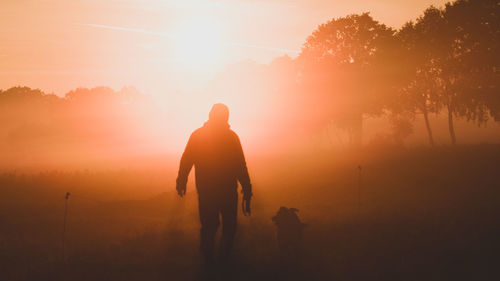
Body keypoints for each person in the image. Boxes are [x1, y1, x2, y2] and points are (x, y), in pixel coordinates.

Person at [176, 103, 252, 264]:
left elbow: (186, 160)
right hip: (225, 191)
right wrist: (247, 187)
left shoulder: (198, 136)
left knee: (212, 226)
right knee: (227, 227)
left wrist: (181, 180)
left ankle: (209, 261)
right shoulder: (231, 137)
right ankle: (218, 261)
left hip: (208, 190)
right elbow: (240, 165)